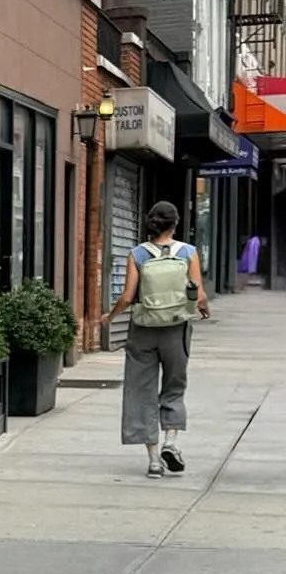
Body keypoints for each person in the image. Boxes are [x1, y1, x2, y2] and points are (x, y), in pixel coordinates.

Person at [104, 200, 210, 477]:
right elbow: (198, 294)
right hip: (177, 326)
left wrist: (109, 317)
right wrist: (203, 310)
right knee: (174, 386)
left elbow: (128, 297)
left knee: (141, 391)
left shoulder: (138, 254)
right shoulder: (188, 252)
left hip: (143, 328)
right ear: (175, 224)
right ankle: (171, 443)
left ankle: (153, 461)